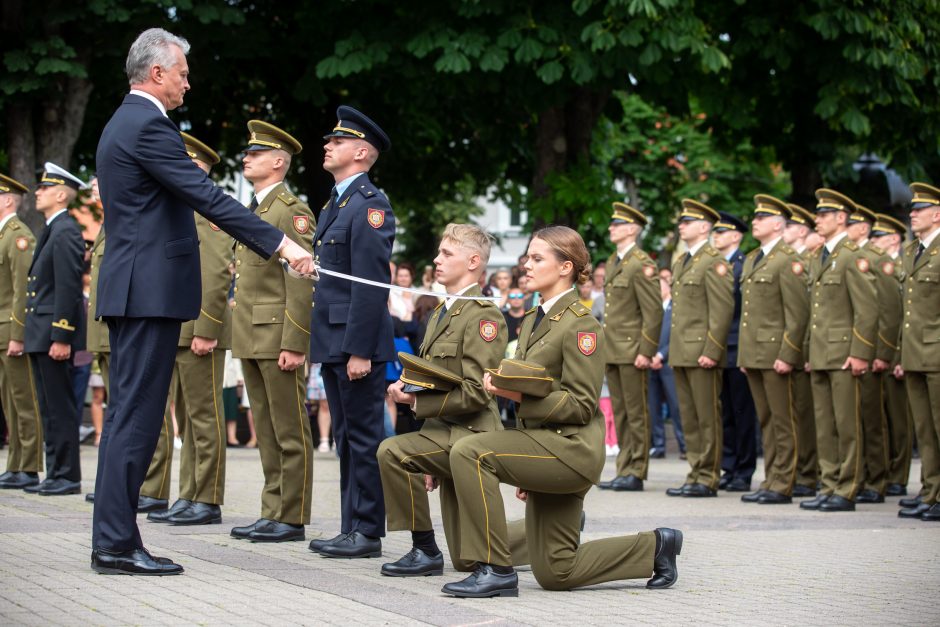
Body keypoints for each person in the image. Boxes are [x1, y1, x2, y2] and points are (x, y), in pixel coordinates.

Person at [92, 28, 313, 576]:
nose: (189, 84)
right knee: (138, 420)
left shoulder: (124, 120)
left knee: (128, 416)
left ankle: (114, 539)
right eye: (184, 74)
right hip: (148, 292)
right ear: (157, 73)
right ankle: (116, 544)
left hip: (135, 289)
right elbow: (207, 197)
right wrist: (282, 243)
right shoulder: (148, 124)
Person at [442, 226, 682, 598]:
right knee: (557, 571)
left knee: (471, 452)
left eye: (538, 258)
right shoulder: (534, 320)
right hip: (545, 448)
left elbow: (582, 404)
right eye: (528, 257)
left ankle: (495, 568)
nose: (527, 264)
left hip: (572, 450)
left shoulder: (581, 325)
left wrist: (515, 394)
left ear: (566, 267)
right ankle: (656, 547)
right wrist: (525, 463)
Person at [378, 223, 517, 576]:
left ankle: (424, 550)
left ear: (473, 262)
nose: (437, 260)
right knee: (466, 556)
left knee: (391, 451)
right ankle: (554, 533)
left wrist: (413, 403)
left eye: (446, 254)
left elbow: (475, 391)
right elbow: (436, 380)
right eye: (439, 252)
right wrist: (428, 444)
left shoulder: (483, 316)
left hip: (471, 433)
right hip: (444, 432)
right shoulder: (443, 311)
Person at [308, 105, 395, 559]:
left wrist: (360, 349)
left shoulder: (371, 206)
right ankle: (351, 526)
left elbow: (371, 285)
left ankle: (367, 532)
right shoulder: (337, 203)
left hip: (355, 344)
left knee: (363, 440)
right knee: (346, 438)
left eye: (337, 142)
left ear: (361, 152)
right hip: (334, 340)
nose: (328, 145)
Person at [140, 132, 239, 527]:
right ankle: (188, 493)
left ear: (195, 166)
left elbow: (216, 272)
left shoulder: (205, 207)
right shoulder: (182, 204)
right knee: (186, 413)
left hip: (200, 329)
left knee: (204, 415)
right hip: (181, 328)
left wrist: (208, 328)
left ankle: (208, 498)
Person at [227, 121, 315, 542]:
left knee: (289, 429)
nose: (247, 157)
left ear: (278, 162)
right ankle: (272, 508)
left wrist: (295, 342)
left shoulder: (290, 210)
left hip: (278, 334)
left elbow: (300, 278)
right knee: (265, 427)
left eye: (256, 153)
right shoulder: (257, 210)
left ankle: (291, 514)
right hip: (251, 332)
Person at [800, 189, 876, 513]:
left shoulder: (849, 255)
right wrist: (808, 352)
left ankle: (847, 489)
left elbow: (868, 309)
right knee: (825, 424)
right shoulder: (821, 256)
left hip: (844, 353)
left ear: (841, 218)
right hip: (820, 353)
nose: (817, 219)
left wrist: (860, 352)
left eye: (823, 215)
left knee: (847, 426)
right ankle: (829, 484)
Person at [736, 196, 809, 505]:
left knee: (783, 421)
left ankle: (784, 482)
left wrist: (788, 353)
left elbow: (798, 313)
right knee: (766, 419)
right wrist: (745, 355)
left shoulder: (787, 259)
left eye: (762, 218)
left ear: (778, 224)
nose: (755, 221)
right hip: (755, 353)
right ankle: (770, 479)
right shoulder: (754, 258)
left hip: (776, 353)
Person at [24, 163, 86, 497]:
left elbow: (68, 287)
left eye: (45, 188)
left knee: (59, 407)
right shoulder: (54, 228)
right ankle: (56, 471)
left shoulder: (66, 231)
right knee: (48, 407)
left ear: (60, 194)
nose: (38, 192)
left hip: (52, 334)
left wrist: (62, 335)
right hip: (41, 331)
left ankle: (66, 475)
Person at [666, 200, 734, 498]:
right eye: (681, 221)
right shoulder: (682, 261)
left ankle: (708, 476)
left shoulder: (713, 260)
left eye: (688, 221)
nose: (682, 225)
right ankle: (695, 471)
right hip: (682, 349)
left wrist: (712, 349)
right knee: (689, 416)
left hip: (702, 351)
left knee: (707, 417)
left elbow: (721, 310)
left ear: (705, 227)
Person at [598, 202, 662, 493]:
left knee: (637, 413)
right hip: (614, 349)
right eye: (612, 224)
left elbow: (653, 311)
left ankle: (636, 470)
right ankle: (624, 467)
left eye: (618, 224)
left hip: (632, 349)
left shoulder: (642, 263)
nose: (612, 228)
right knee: (622, 412)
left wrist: (645, 351)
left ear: (633, 229)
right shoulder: (614, 261)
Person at [844, 204, 894, 505]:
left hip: (869, 351)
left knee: (873, 420)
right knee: (852, 421)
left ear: (863, 228)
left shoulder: (875, 260)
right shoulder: (841, 258)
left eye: (853, 223)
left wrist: (882, 352)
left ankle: (878, 480)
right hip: (845, 350)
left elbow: (887, 311)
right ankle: (859, 478)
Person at [896, 182, 940, 521]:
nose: (912, 213)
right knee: (924, 429)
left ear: (937, 214)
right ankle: (931, 490)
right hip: (913, 351)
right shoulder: (913, 252)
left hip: (936, 352)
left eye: (919, 209)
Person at [712, 212, 759, 493]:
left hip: (737, 345)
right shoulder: (716, 265)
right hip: (719, 347)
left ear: (735, 236)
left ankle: (744, 469)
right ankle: (729, 467)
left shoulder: (743, 265)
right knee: (726, 413)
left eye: (721, 232)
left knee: (742, 412)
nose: (715, 236)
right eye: (714, 232)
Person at [0, 173, 41, 491]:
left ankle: (28, 465)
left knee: (23, 399)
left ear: (8, 200)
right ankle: (15, 463)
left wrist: (18, 333)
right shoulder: (4, 235)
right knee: (8, 400)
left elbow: (22, 290)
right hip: (2, 330)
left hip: (10, 330)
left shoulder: (18, 236)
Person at [869, 213, 911, 497]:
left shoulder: (900, 265)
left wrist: (897, 357)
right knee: (879, 418)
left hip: (899, 353)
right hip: (875, 352)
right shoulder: (880, 266)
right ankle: (885, 472)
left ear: (894, 239)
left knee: (900, 420)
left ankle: (899, 475)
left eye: (878, 238)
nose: (873, 243)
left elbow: (900, 317)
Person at [782, 203, 819, 496]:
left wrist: (794, 350)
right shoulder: (791, 260)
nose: (785, 230)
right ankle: (802, 474)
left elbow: (801, 314)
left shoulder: (806, 261)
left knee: (806, 418)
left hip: (809, 350)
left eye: (790, 226)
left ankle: (809, 474)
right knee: (795, 417)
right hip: (804, 350)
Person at [649, 268, 686, 459]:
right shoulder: (651, 308)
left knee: (676, 405)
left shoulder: (676, 307)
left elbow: (676, 335)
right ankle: (659, 445)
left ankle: (684, 445)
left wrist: (661, 355)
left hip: (668, 361)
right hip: (650, 361)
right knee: (653, 406)